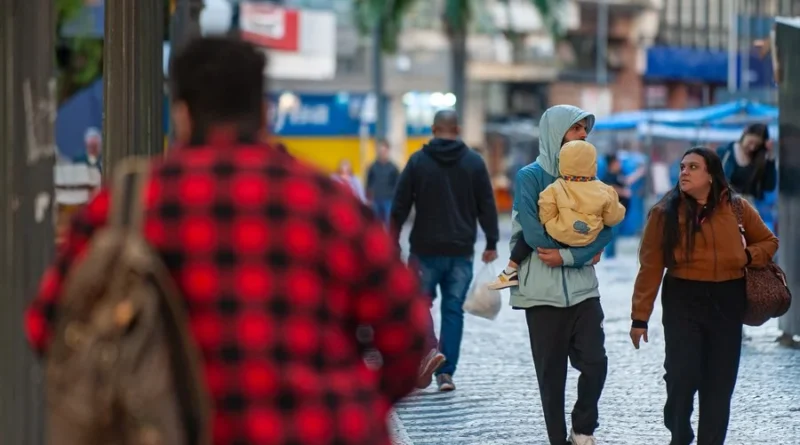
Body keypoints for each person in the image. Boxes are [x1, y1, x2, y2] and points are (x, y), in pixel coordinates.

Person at [25, 36, 431, 445]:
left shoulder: (125, 204)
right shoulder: (329, 204)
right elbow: (409, 337)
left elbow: (45, 325)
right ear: (263, 113)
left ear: (182, 114)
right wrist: (353, 404)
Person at [630, 147, 778, 445]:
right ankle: (679, 430)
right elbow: (650, 267)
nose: (684, 172)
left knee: (719, 384)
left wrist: (747, 255)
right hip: (683, 298)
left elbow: (768, 241)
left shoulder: (737, 208)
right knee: (682, 377)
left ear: (711, 176)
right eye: (682, 167)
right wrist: (639, 318)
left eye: (693, 167)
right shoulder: (663, 213)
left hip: (728, 298)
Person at [509, 105, 611, 445]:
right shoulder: (529, 177)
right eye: (576, 129)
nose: (583, 135)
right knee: (551, 378)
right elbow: (532, 233)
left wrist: (570, 255)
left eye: (585, 129)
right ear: (556, 134)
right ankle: (558, 440)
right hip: (541, 292)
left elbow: (606, 226)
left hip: (584, 291)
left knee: (595, 362)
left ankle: (583, 427)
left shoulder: (591, 177)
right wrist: (583, 246)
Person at [391, 109, 499, 392]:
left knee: (418, 303)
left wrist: (391, 240)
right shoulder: (474, 163)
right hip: (461, 250)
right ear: (458, 129)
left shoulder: (417, 161)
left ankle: (429, 351)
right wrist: (491, 242)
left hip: (424, 248)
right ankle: (446, 374)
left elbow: (400, 204)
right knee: (453, 311)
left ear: (433, 129)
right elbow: (486, 203)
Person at [490, 140, 625, 290]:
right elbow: (613, 218)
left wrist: (552, 224)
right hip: (589, 237)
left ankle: (510, 270)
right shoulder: (605, 190)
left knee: (526, 234)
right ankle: (585, 258)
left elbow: (545, 212)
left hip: (559, 235)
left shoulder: (555, 187)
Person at [716, 123, 776, 202]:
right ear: (745, 133)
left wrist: (770, 158)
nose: (752, 148)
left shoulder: (758, 160)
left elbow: (769, 187)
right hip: (725, 203)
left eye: (757, 145)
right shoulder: (724, 152)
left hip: (748, 206)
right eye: (751, 142)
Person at [365, 140, 400, 225]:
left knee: (389, 224)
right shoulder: (372, 166)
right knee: (376, 225)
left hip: (388, 200)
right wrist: (368, 198)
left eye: (384, 150)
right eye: (380, 150)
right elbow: (368, 183)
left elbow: (398, 184)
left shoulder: (393, 167)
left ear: (388, 151)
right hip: (375, 200)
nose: (382, 152)